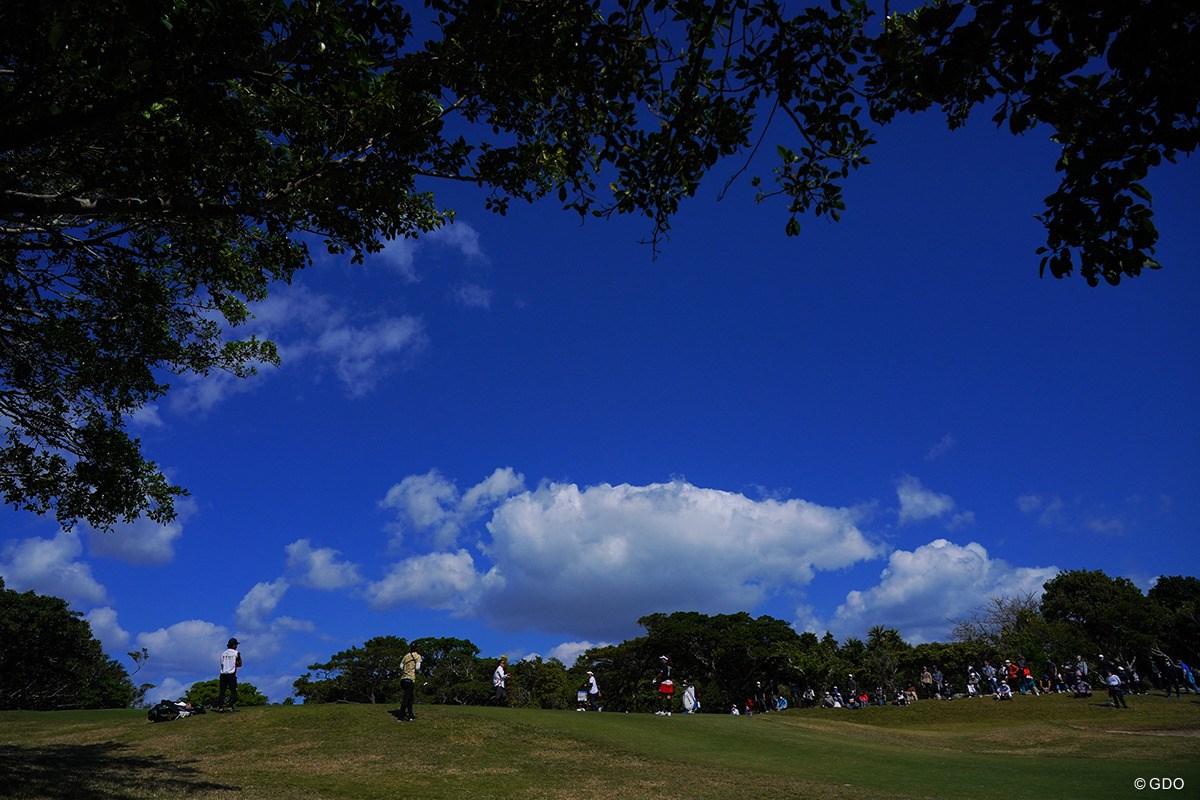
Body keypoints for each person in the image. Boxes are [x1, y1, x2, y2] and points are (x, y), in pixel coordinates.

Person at [217, 637, 242, 712]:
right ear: (234, 645)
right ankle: (230, 706)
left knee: (222, 692)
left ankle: (220, 707)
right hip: (231, 674)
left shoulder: (223, 654)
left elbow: (222, 664)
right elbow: (239, 664)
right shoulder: (236, 653)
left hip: (223, 674)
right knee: (234, 692)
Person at [398, 645, 421, 721]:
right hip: (410, 679)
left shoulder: (406, 656)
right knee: (407, 698)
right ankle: (401, 716)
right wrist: (417, 671)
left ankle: (411, 715)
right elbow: (417, 668)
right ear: (417, 648)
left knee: (410, 698)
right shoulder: (417, 656)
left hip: (403, 679)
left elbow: (401, 666)